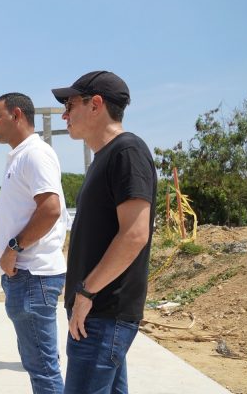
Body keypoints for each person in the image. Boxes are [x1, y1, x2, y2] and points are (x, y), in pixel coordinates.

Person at [52, 71, 157, 393]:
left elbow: (135, 234)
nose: (64, 113)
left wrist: (86, 293)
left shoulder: (127, 152)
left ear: (96, 104)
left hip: (103, 312)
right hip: (97, 313)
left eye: (70, 104)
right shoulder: (105, 158)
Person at [0, 92, 69, 393]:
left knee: (44, 370)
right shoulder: (21, 156)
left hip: (33, 276)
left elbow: (50, 209)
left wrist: (13, 248)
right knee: (39, 367)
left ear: (17, 115)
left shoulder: (35, 154)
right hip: (25, 278)